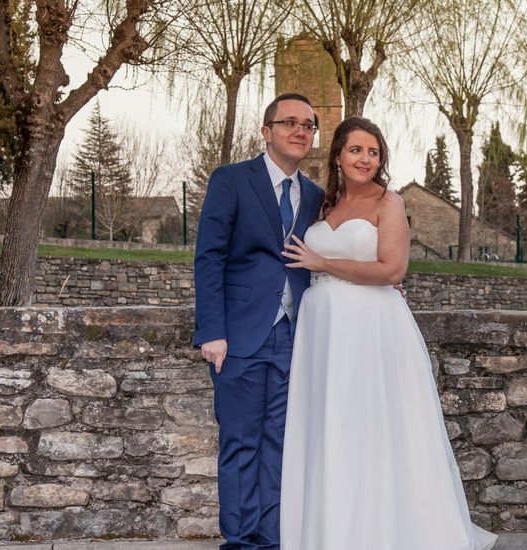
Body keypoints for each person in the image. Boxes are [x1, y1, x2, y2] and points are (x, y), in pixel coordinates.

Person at [279, 117, 498, 550]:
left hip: (373, 327)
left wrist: (323, 263)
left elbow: (392, 269)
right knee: (331, 427)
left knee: (376, 426)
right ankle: (333, 532)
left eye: (373, 152)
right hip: (323, 329)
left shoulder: (389, 202)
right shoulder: (321, 204)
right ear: (338, 155)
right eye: (356, 149)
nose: (365, 159)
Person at [194, 93, 324, 550]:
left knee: (281, 447)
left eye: (308, 125)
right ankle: (239, 542)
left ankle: (271, 540)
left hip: (297, 337)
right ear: (266, 131)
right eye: (288, 122)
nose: (299, 130)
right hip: (241, 335)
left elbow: (332, 256)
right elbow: (209, 257)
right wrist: (212, 331)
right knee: (241, 444)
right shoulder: (231, 180)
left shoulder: (314, 196)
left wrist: (386, 280)